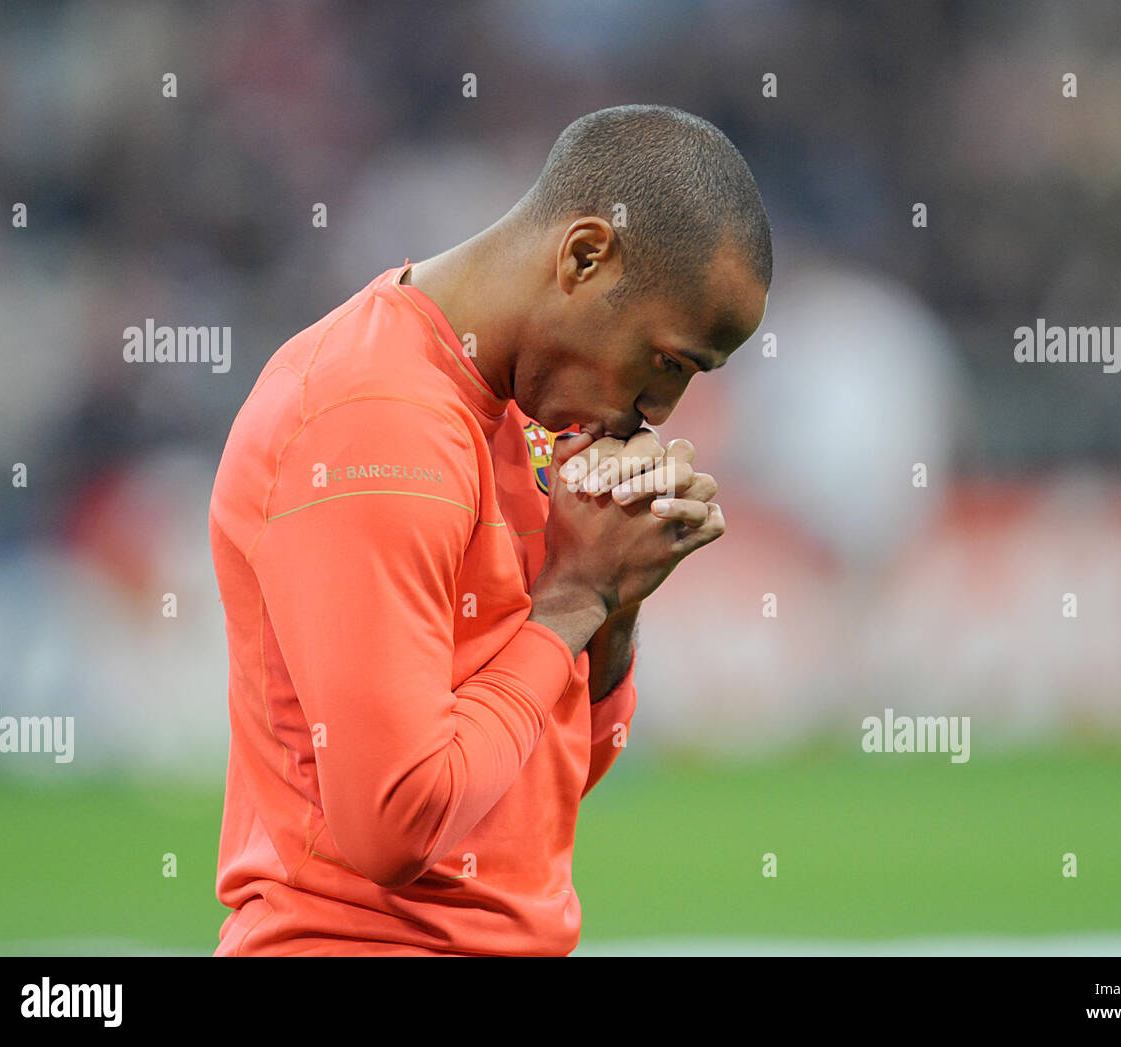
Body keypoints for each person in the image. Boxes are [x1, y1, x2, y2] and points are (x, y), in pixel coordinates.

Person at [208, 104, 772, 955]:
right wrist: (575, 597)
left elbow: (554, 774)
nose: (660, 410)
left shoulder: (525, 410)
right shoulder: (374, 419)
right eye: (670, 362)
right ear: (585, 256)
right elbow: (395, 825)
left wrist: (615, 598)